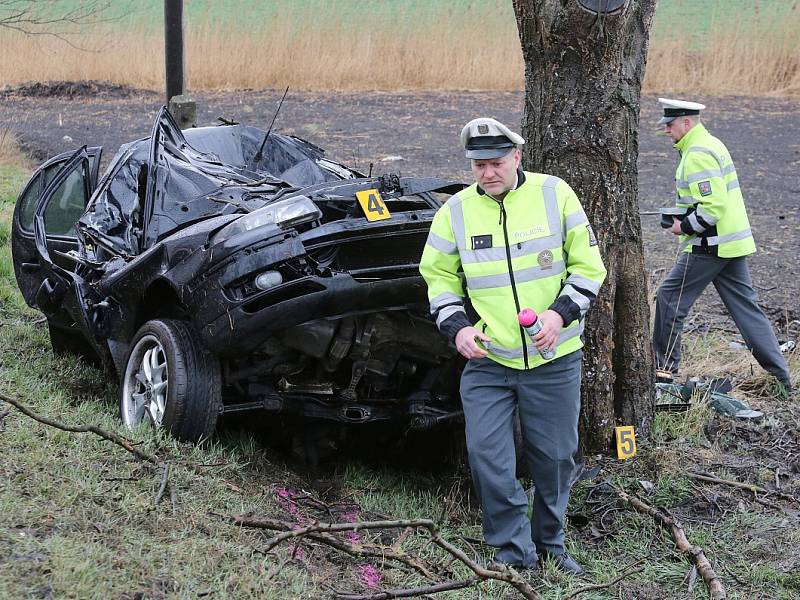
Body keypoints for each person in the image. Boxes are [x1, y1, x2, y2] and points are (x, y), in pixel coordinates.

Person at [419, 117, 606, 573]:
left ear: (517, 158)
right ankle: (514, 555)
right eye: (479, 165)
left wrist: (558, 315)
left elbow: (589, 268)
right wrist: (459, 328)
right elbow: (438, 278)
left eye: (496, 163)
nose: (487, 173)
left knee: (556, 458)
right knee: (488, 457)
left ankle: (552, 546)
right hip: (490, 360)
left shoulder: (554, 194)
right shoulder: (455, 213)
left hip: (554, 357)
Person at [652, 98, 792, 396]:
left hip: (710, 245)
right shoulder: (710, 143)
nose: (666, 130)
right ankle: (781, 378)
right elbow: (709, 201)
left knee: (668, 299)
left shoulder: (697, 153)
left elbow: (713, 206)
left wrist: (683, 226)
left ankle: (663, 372)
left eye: (670, 124)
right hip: (730, 243)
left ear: (686, 122)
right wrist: (682, 215)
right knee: (746, 310)